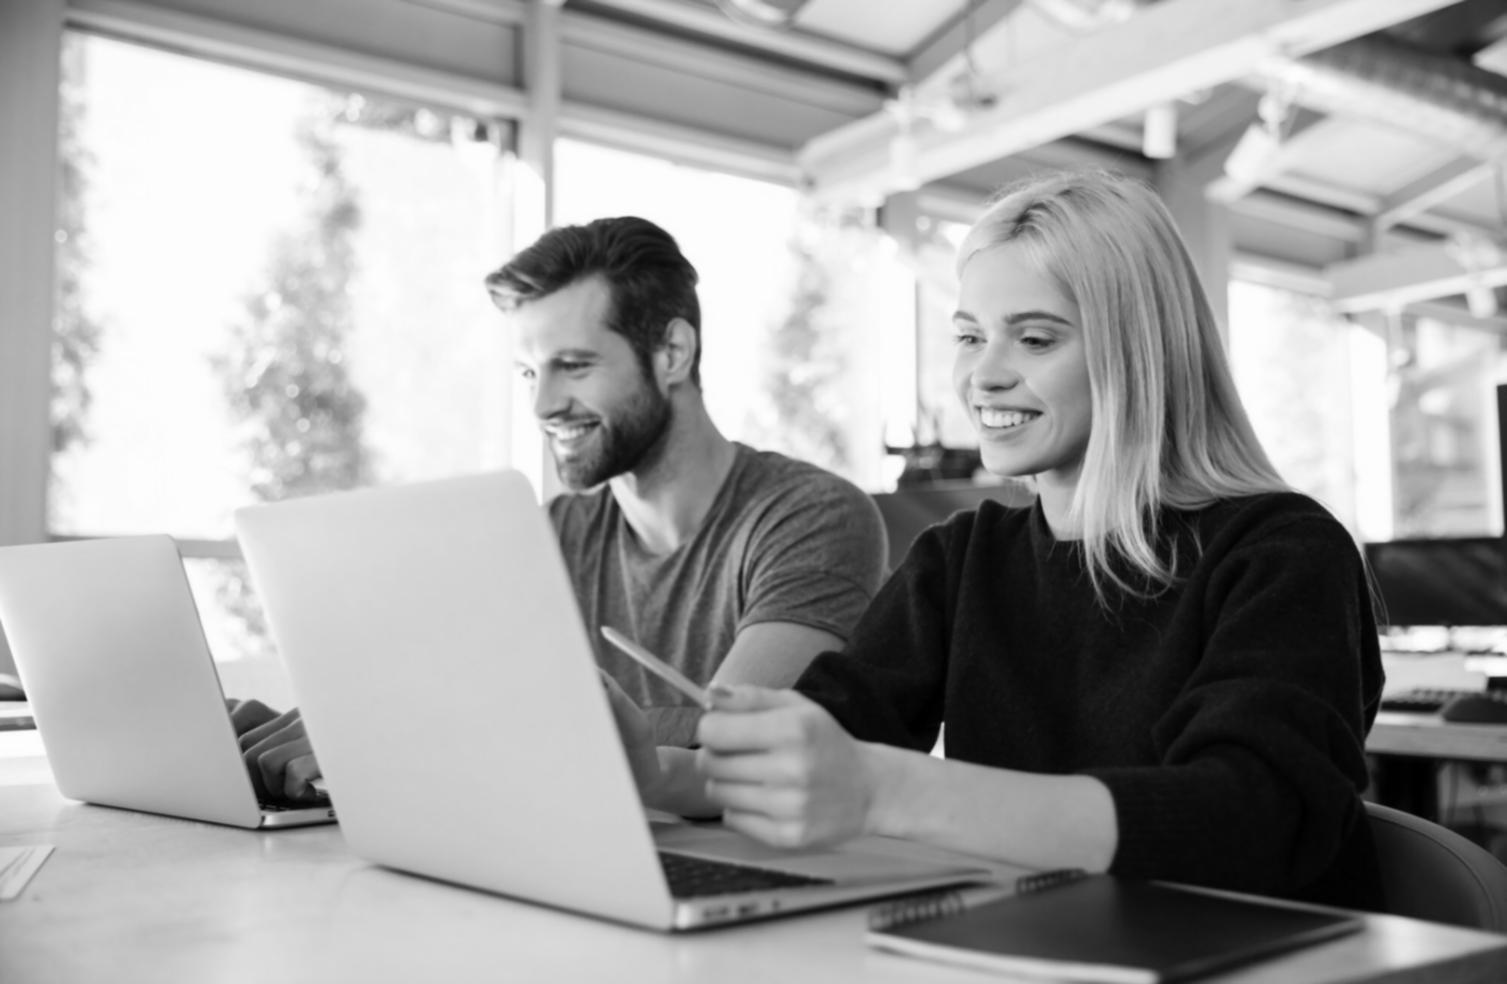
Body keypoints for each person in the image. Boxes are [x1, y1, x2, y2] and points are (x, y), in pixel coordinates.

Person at [605, 170, 1386, 911]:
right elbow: (822, 746)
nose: (983, 376)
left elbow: (1250, 817)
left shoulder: (1282, 551)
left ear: (1139, 353)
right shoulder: (965, 556)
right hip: (1038, 941)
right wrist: (661, 775)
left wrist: (890, 790)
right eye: (969, 336)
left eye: (1035, 340)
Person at [234, 216, 888, 800]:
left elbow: (726, 748)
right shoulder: (549, 535)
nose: (543, 405)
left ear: (672, 354)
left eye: (573, 365)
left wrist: (476, 729)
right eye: (528, 372)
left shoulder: (812, 517)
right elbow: (457, 707)